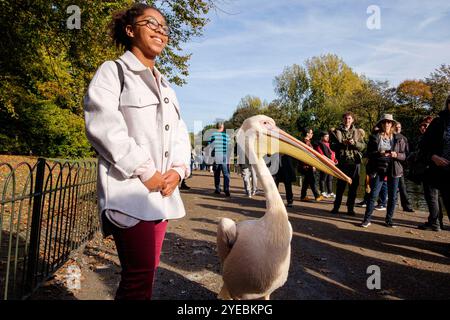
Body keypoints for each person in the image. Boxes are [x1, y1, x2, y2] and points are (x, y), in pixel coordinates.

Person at [83, 3, 191, 299]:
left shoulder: (167, 86)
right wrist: (146, 171)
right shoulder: (113, 72)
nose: (160, 31)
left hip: (161, 197)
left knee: (146, 273)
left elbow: (180, 134)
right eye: (151, 24)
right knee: (138, 276)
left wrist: (178, 171)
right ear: (130, 30)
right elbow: (103, 126)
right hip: (129, 191)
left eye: (164, 27)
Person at [361, 114, 407, 228]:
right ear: (381, 124)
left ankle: (389, 220)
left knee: (392, 196)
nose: (387, 124)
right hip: (378, 168)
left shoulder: (399, 138)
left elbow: (405, 155)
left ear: (392, 125)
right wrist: (379, 153)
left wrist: (396, 154)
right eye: (384, 122)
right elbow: (368, 154)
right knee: (373, 195)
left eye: (389, 122)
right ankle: (367, 219)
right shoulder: (375, 137)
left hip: (393, 169)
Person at [418, 96, 450, 232]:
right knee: (432, 197)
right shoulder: (438, 122)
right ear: (448, 104)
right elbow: (424, 145)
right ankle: (435, 223)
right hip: (436, 169)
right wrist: (433, 156)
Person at [330, 112, 366, 216]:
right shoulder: (336, 132)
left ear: (352, 120)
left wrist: (354, 143)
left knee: (353, 187)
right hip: (342, 163)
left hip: (355, 163)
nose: (347, 120)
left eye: (349, 118)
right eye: (345, 118)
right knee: (340, 187)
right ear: (343, 120)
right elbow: (332, 147)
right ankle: (336, 208)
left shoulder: (358, 132)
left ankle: (350, 209)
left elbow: (363, 147)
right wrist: (342, 144)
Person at [394, 122, 414, 212]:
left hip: (399, 165)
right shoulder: (389, 136)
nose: (398, 128)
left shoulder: (403, 138)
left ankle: (406, 205)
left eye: (399, 127)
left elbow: (406, 153)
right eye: (396, 127)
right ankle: (382, 202)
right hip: (388, 165)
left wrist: (405, 164)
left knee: (402, 186)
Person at [300, 128, 323, 202]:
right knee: (312, 180)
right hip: (307, 165)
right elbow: (307, 155)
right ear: (307, 134)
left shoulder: (307, 142)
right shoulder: (306, 143)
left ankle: (303, 196)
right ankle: (317, 196)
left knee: (306, 181)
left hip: (306, 164)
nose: (312, 134)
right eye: (311, 133)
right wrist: (312, 164)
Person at [210, 122, 231, 196]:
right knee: (226, 173)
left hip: (217, 154)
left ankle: (218, 189)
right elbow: (229, 147)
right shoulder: (227, 136)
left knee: (217, 173)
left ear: (217, 127)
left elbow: (211, 146)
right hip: (224, 155)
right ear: (223, 127)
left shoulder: (213, 135)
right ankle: (226, 189)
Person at [316, 131, 337, 198]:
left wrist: (335, 160)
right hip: (325, 164)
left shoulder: (330, 144)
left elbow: (333, 153)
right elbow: (321, 155)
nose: (327, 138)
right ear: (322, 137)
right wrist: (330, 161)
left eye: (328, 136)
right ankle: (322, 191)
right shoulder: (319, 145)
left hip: (332, 164)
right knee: (323, 178)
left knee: (330, 178)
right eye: (326, 136)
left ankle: (330, 192)